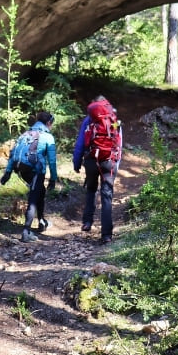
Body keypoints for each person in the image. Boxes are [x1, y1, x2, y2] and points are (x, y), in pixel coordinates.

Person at [1, 111, 58, 243]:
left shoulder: (25, 134)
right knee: (33, 198)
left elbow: (13, 154)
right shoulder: (48, 137)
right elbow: (52, 161)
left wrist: (7, 173)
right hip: (36, 170)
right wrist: (53, 178)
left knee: (40, 191)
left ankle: (42, 221)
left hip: (22, 169)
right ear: (48, 123)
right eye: (52, 124)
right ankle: (26, 232)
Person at [73, 96, 122, 245]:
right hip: (109, 161)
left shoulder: (88, 120)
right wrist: (115, 165)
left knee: (91, 189)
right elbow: (119, 144)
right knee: (107, 195)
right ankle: (106, 234)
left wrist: (76, 162)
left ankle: (87, 222)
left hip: (91, 160)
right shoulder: (114, 119)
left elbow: (80, 143)